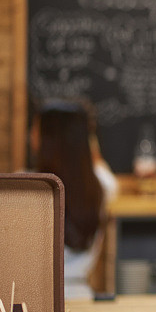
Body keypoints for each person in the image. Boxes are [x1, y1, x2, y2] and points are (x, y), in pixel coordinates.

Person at [33, 99, 116, 299]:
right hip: (81, 296)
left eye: (36, 130)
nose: (31, 136)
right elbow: (98, 165)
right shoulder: (103, 184)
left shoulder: (27, 184)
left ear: (48, 139)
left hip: (37, 299)